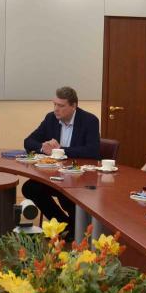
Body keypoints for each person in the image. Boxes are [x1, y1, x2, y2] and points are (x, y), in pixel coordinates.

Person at [22, 87, 100, 238]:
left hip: (79, 177)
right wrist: (42, 148)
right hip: (54, 175)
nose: (56, 109)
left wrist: (61, 150)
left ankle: (76, 228)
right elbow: (28, 141)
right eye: (55, 104)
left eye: (61, 105)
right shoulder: (51, 118)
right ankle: (63, 224)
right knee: (30, 188)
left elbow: (92, 151)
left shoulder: (89, 121)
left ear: (73, 105)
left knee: (66, 193)